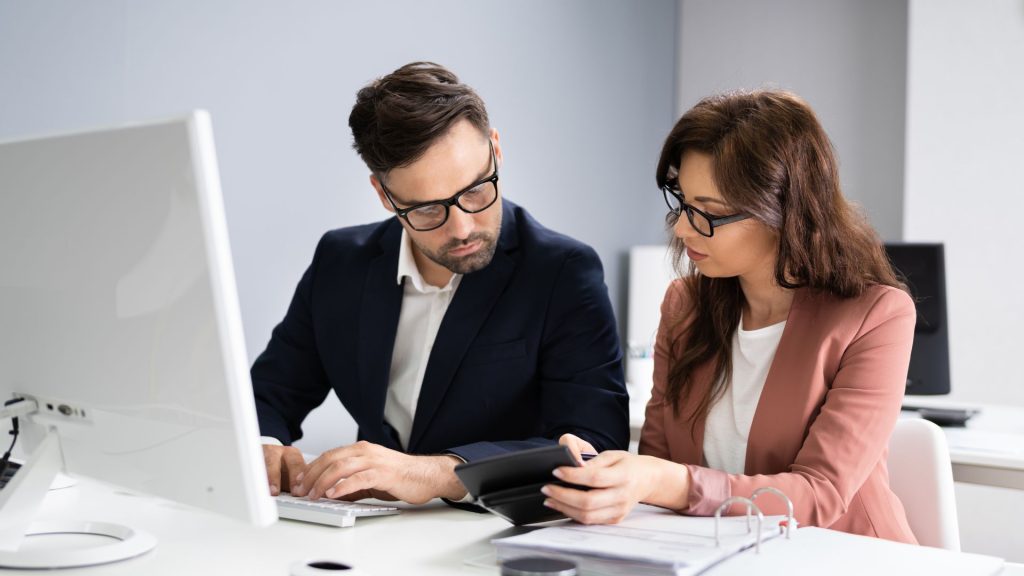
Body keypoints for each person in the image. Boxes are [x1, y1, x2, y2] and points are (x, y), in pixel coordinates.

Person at [547, 89, 918, 544]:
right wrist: (607, 476)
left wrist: (667, 482)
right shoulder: (684, 306)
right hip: (719, 558)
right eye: (683, 202)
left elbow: (820, 494)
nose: (683, 228)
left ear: (785, 212)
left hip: (847, 558)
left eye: (711, 213)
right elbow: (658, 465)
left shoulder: (877, 316)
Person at [252, 62, 628, 506]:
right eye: (428, 210)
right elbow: (268, 394)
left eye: (476, 190)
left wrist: (434, 474)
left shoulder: (562, 272)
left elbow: (596, 444)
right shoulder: (341, 262)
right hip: (365, 535)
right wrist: (263, 444)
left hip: (491, 538)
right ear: (383, 195)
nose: (464, 227)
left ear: (496, 150)